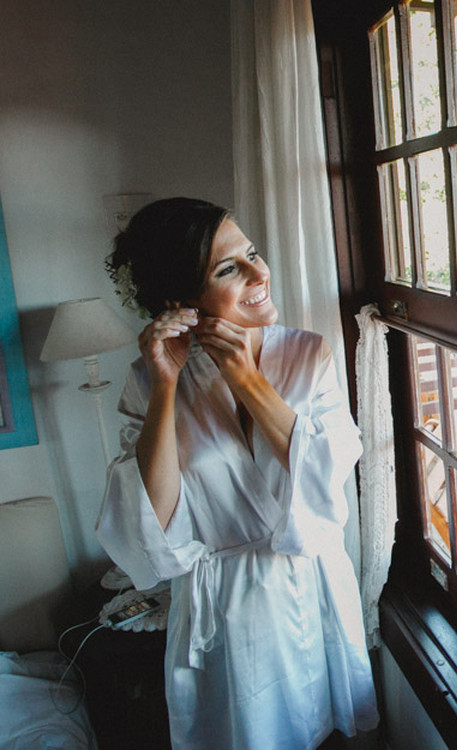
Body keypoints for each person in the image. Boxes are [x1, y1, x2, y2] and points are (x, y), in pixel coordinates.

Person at [95, 197, 379, 749]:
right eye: (229, 268)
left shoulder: (309, 354)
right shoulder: (148, 381)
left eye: (252, 254)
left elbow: (328, 484)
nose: (259, 274)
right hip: (224, 613)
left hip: (314, 585)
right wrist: (166, 386)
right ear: (182, 300)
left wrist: (247, 378)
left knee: (333, 737)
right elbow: (152, 525)